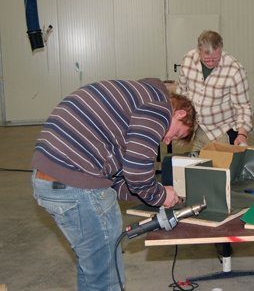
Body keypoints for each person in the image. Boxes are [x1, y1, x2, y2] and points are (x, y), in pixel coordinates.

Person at [32, 79, 196, 290]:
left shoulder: (136, 99)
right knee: (107, 279)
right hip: (77, 182)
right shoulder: (159, 107)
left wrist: (154, 197)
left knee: (93, 268)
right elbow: (137, 172)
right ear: (180, 114)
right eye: (178, 133)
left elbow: (121, 179)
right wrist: (161, 195)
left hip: (49, 178)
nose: (167, 141)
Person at [176, 30, 252, 151]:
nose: (211, 63)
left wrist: (242, 134)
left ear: (221, 50)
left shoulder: (235, 70)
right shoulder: (188, 60)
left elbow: (243, 106)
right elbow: (181, 93)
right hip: (197, 130)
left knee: (222, 168)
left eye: (215, 59)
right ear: (199, 51)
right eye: (207, 60)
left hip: (221, 131)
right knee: (196, 167)